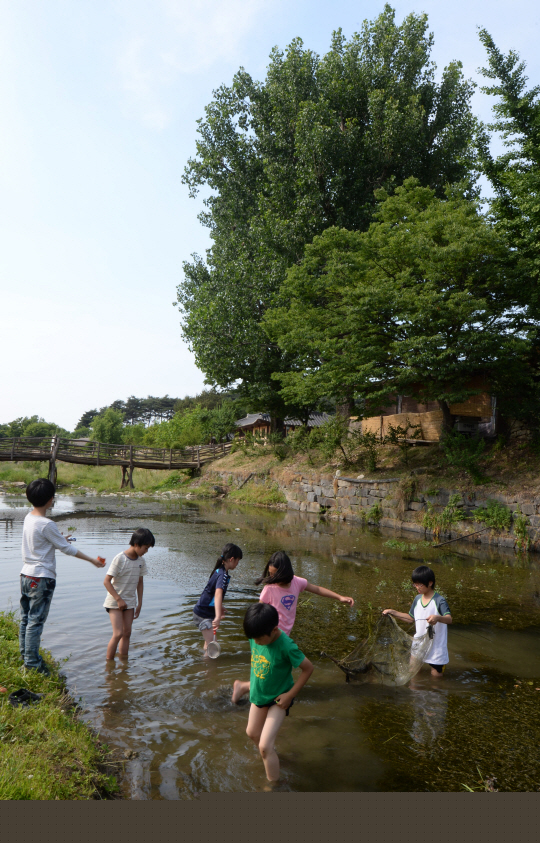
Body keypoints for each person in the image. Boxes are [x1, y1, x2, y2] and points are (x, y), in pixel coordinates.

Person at [232, 550, 354, 702]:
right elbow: (258, 614)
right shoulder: (269, 589)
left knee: (273, 673)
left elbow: (316, 589)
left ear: (285, 572)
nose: (272, 578)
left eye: (275, 574)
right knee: (270, 673)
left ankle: (245, 687)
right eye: (270, 574)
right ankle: (249, 690)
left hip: (282, 637)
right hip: (270, 637)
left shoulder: (297, 582)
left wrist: (339, 597)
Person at [20, 477, 106, 674]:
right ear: (51, 499)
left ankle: (26, 656)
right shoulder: (47, 524)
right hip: (41, 578)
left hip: (25, 574)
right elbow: (67, 549)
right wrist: (92, 560)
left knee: (26, 619)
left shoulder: (29, 518)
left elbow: (42, 539)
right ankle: (33, 665)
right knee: (36, 621)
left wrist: (59, 538)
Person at [243, 602, 314, 783]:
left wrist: (290, 695)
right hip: (259, 695)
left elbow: (308, 668)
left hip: (278, 699)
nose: (255, 642)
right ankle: (270, 754)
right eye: (253, 638)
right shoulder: (256, 635)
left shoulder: (286, 646)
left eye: (259, 639)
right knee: (252, 733)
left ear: (274, 630)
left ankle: (273, 785)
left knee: (265, 746)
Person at [382, 565, 452, 677]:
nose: (417, 587)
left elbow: (449, 619)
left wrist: (437, 618)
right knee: (413, 675)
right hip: (418, 644)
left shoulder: (439, 600)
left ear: (430, 583)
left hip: (436, 647)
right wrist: (392, 612)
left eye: (420, 584)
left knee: (436, 680)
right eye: (415, 584)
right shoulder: (417, 599)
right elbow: (411, 618)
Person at [103, 527, 155, 660]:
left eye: (148, 548)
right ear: (136, 544)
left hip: (130, 602)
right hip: (115, 601)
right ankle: (109, 665)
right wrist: (118, 599)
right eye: (145, 548)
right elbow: (107, 582)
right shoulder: (120, 559)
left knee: (127, 633)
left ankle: (123, 665)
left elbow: (140, 582)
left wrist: (140, 603)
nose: (146, 551)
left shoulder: (141, 561)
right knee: (118, 633)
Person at [193, 543, 243, 653]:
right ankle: (210, 668)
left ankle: (205, 665)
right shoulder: (222, 575)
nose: (237, 564)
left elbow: (211, 594)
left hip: (204, 611)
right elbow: (218, 593)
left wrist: (219, 606)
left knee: (209, 642)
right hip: (203, 614)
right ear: (231, 559)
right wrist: (218, 617)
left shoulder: (220, 571)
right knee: (213, 645)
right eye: (238, 561)